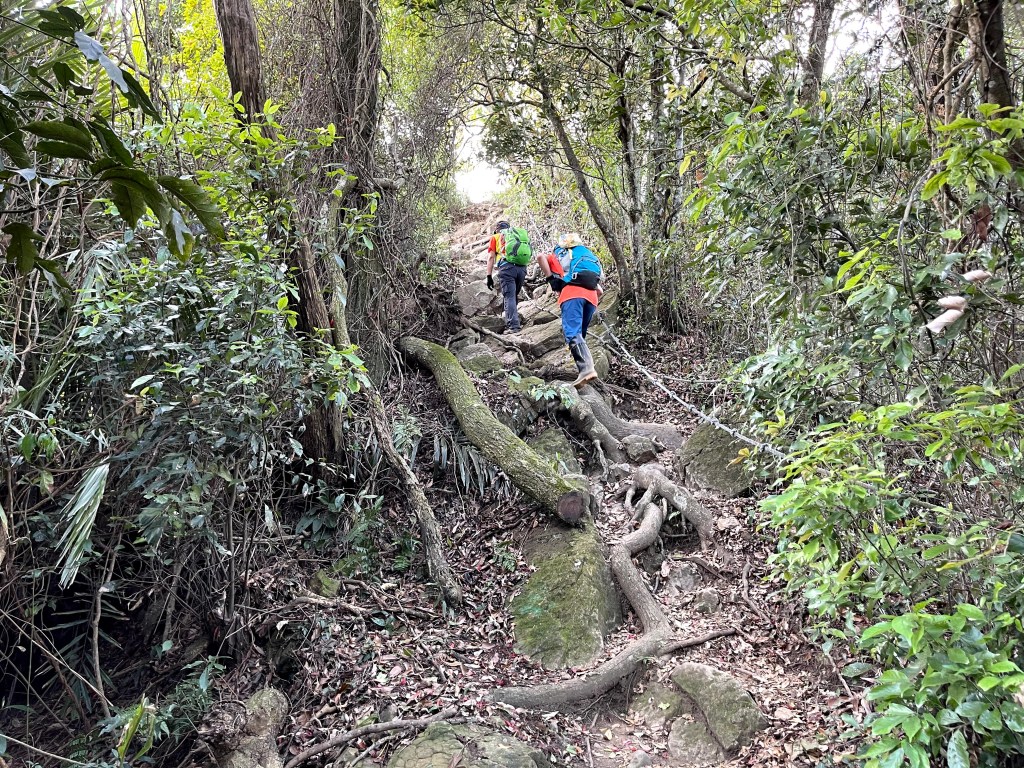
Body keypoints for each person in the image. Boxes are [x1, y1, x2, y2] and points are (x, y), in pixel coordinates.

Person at [538, 233, 603, 388]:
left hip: (572, 295)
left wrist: (551, 279)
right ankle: (584, 371)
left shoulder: (559, 255)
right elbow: (599, 290)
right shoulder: (586, 256)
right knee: (580, 335)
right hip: (592, 298)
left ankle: (587, 370)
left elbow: (540, 257)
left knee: (572, 333)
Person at [486, 220, 531, 334]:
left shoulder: (495, 237)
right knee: (513, 295)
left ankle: (513, 326)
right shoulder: (516, 236)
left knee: (509, 296)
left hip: (507, 268)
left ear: (497, 229)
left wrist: (489, 276)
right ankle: (512, 319)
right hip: (522, 268)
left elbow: (491, 257)